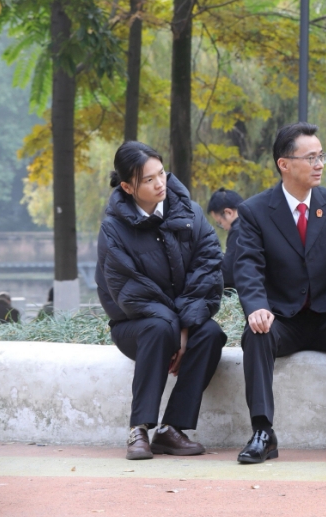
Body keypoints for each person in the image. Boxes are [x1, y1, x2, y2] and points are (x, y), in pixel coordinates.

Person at [234, 123, 326, 464]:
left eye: (321, 156)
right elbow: (248, 266)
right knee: (256, 335)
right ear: (284, 164)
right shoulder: (255, 211)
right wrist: (256, 307)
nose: (319, 164)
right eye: (311, 157)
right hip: (281, 317)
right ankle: (263, 432)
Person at [96, 141, 227, 461]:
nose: (160, 184)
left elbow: (208, 268)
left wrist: (184, 328)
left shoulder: (190, 213)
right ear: (127, 187)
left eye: (161, 174)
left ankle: (172, 429)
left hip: (180, 322)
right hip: (135, 325)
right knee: (157, 328)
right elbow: (130, 292)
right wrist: (175, 328)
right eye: (148, 179)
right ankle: (138, 429)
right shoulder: (113, 228)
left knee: (210, 334)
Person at [207, 188, 244, 290]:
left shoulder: (238, 230)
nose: (224, 228)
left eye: (220, 223)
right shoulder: (254, 221)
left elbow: (227, 273)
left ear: (229, 213)